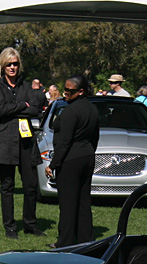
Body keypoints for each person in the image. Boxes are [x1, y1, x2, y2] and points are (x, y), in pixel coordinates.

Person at [0, 47, 45, 239]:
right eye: (9, 64)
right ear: (2, 66)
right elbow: (1, 110)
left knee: (30, 185)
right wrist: (23, 106)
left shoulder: (26, 85)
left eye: (15, 64)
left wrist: (15, 108)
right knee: (7, 185)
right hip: (5, 141)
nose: (12, 67)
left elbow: (36, 109)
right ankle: (10, 227)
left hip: (25, 141)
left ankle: (30, 223)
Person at [45, 74, 99, 248]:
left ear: (81, 91)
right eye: (65, 89)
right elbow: (95, 137)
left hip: (71, 159)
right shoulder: (92, 109)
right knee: (83, 201)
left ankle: (65, 241)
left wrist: (53, 164)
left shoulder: (70, 111)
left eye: (70, 90)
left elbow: (64, 142)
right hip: (87, 156)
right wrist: (89, 152)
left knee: (68, 202)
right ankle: (86, 240)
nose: (66, 93)